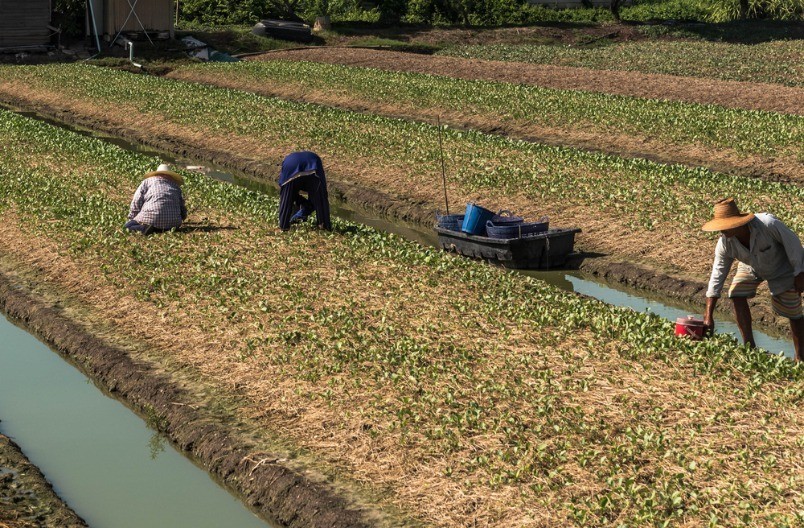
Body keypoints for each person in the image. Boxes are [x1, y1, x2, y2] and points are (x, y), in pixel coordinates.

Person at [702, 198, 804, 361]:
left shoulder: (767, 224)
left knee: (793, 311)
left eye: (725, 226)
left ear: (737, 222)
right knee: (736, 293)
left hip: (782, 267)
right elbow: (717, 275)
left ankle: (800, 357)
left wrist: (799, 273)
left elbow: (793, 244)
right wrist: (708, 315)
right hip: (751, 266)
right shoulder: (725, 243)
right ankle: (750, 347)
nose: (722, 231)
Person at [124, 163, 187, 235]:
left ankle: (144, 229)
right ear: (170, 175)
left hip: (152, 218)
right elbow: (182, 206)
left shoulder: (147, 181)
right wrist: (182, 217)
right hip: (174, 224)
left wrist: (133, 217)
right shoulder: (176, 186)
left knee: (127, 227)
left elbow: (137, 200)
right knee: (162, 225)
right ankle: (159, 228)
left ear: (157, 174)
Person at [277, 151, 331, 231]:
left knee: (287, 198)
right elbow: (322, 196)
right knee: (320, 200)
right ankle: (324, 226)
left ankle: (284, 226)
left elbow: (285, 195)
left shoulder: (288, 161)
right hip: (313, 168)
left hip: (293, 166)